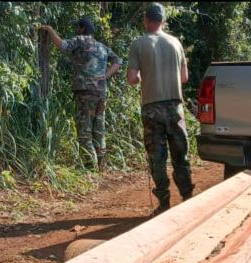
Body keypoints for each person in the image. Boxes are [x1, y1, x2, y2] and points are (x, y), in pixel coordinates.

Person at [127, 3, 194, 215]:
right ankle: (187, 197)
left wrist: (142, 76)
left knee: (157, 157)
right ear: (164, 21)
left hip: (151, 108)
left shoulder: (138, 43)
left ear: (146, 20)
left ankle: (164, 203)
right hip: (175, 106)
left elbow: (132, 79)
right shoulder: (176, 43)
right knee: (180, 155)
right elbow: (184, 77)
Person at [43, 17, 122, 172]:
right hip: (101, 93)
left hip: (85, 93)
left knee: (84, 130)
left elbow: (62, 45)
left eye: (77, 27)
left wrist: (50, 30)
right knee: (98, 129)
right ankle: (101, 166)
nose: (76, 30)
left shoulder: (80, 40)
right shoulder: (101, 46)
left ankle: (89, 168)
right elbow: (118, 61)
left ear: (82, 28)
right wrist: (105, 75)